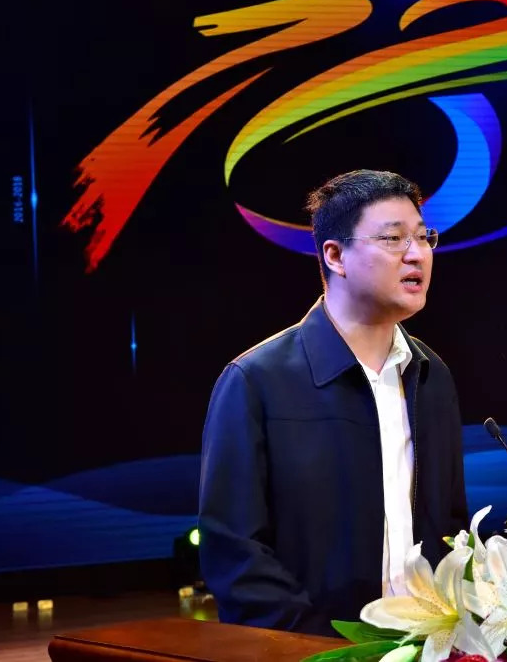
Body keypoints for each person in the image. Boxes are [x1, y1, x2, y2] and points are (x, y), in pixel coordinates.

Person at [198, 170, 469, 636]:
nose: (417, 253)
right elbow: (234, 554)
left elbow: (450, 526)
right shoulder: (256, 381)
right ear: (335, 255)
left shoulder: (431, 375)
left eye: (424, 237)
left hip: (424, 645)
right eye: (393, 239)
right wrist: (326, 645)